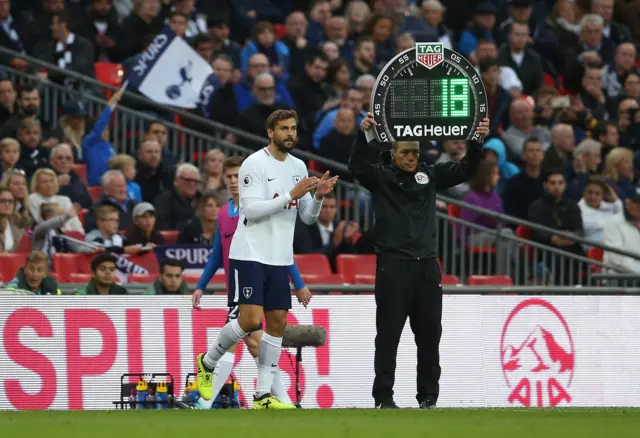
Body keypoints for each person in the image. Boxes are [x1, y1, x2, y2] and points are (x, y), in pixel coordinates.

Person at [192, 109, 337, 409]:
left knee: (277, 324)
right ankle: (207, 362)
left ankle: (262, 396)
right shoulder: (254, 164)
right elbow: (251, 210)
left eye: (293, 128)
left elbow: (308, 218)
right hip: (250, 253)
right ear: (270, 132)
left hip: (279, 255)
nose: (290, 134)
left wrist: (319, 196)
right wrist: (288, 195)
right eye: (283, 128)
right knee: (248, 320)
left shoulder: (299, 166)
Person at [350, 113, 490, 409]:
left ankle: (428, 396)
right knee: (388, 335)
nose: (411, 157)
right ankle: (383, 397)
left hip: (427, 266)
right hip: (393, 266)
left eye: (415, 151)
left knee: (429, 336)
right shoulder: (380, 176)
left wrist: (476, 141)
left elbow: (466, 169)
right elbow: (356, 167)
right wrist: (363, 136)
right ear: (393, 153)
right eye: (405, 152)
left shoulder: (430, 173)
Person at [192, 155, 308, 408]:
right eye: (229, 177)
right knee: (252, 338)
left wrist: (297, 283)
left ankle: (209, 397)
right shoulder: (224, 214)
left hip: (263, 274)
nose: (234, 181)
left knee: (255, 342)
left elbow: (278, 247)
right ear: (223, 180)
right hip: (239, 280)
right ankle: (206, 399)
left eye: (237, 176)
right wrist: (201, 285)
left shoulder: (263, 206)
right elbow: (216, 253)